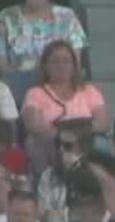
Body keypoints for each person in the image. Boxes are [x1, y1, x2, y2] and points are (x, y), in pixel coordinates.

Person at [21, 40, 109, 173]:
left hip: (86, 140)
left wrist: (79, 134)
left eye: (66, 61)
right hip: (52, 142)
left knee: (104, 146)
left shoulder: (89, 91)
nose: (61, 65)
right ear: (45, 66)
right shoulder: (35, 93)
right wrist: (61, 135)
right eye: (56, 61)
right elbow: (33, 125)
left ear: (74, 65)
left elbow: (103, 123)